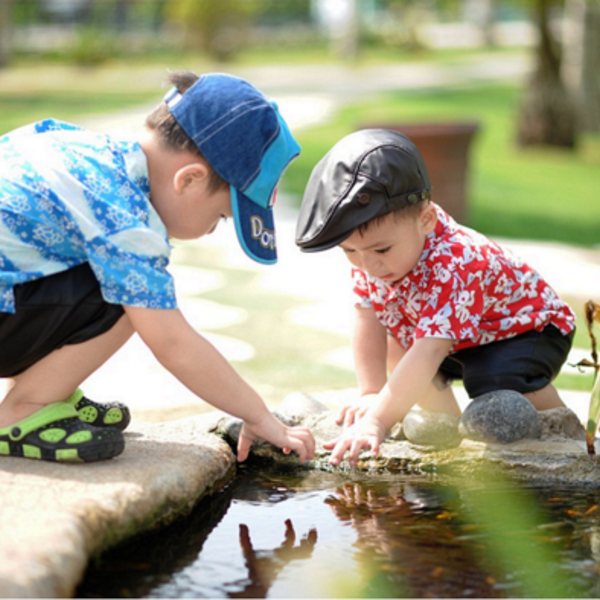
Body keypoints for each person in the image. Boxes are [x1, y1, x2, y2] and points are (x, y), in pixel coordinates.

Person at [0, 70, 315, 464]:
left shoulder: (79, 147)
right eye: (220, 217)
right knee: (136, 300)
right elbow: (173, 344)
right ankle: (24, 410)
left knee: (89, 269)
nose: (210, 231)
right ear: (190, 180)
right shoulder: (126, 214)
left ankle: (44, 391)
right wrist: (258, 415)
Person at [295, 128, 575, 467]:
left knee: (493, 382)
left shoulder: (456, 261)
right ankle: (447, 433)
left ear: (425, 220)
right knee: (398, 342)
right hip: (459, 338)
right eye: (349, 251)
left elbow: (431, 349)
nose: (368, 264)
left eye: (381, 249)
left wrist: (377, 421)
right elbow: (367, 317)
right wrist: (371, 393)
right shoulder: (372, 258)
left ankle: (564, 433)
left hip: (526, 331)